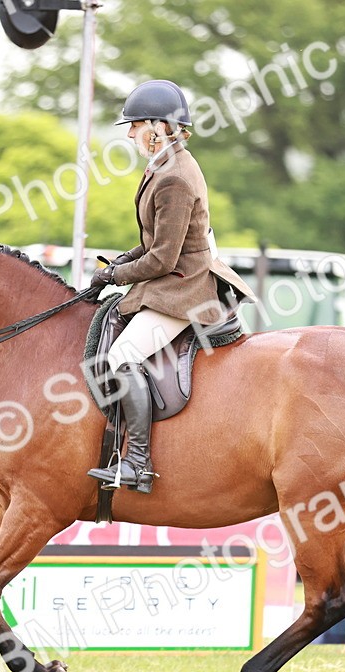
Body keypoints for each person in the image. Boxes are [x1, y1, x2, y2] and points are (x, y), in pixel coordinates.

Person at [88, 79, 256, 494]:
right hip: (173, 274)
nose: (129, 134)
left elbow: (163, 259)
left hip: (184, 288)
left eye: (135, 125)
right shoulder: (165, 164)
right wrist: (121, 260)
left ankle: (137, 465)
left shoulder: (175, 177)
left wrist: (114, 276)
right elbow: (155, 241)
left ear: (159, 126)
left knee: (122, 354)